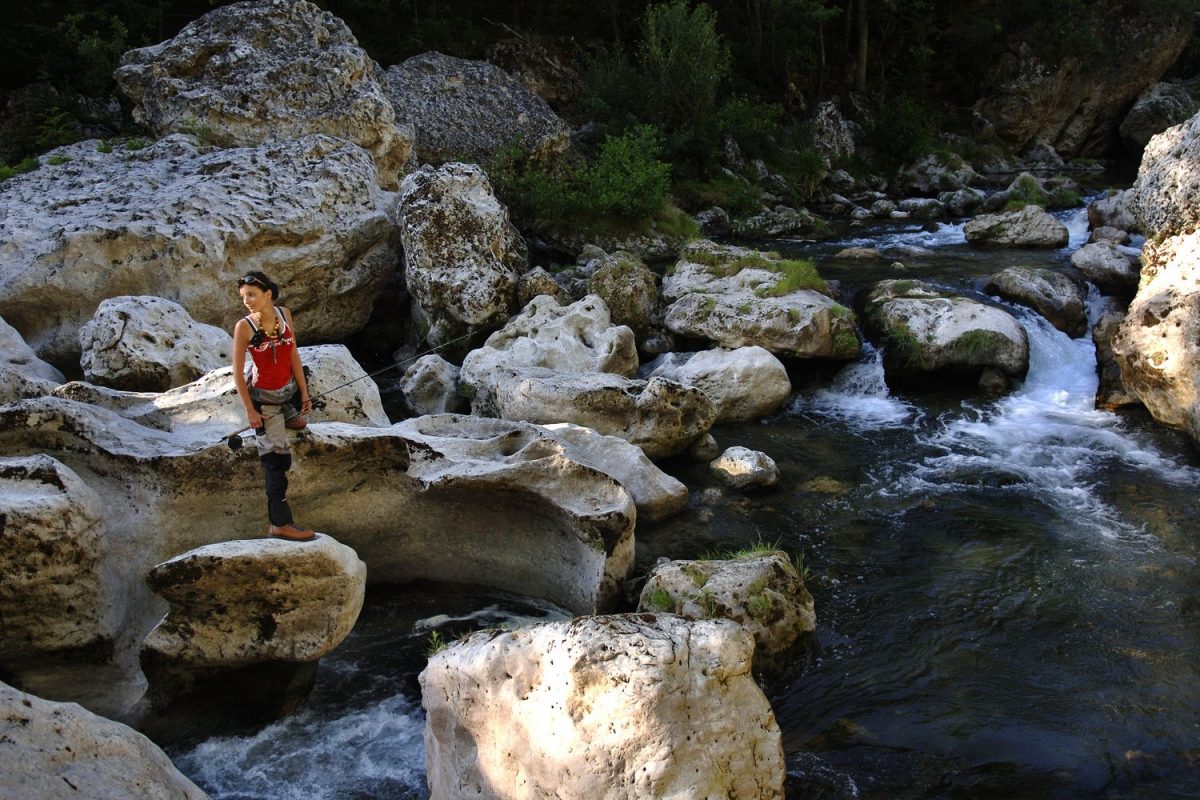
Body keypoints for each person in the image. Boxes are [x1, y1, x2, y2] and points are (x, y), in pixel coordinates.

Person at [231, 271, 315, 541]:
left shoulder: (284, 314)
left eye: (252, 295)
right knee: (276, 459)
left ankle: (289, 414)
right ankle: (280, 523)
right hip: (265, 401)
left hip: (286, 393)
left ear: (268, 293)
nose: (248, 301)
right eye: (244, 297)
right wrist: (250, 412)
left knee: (300, 423)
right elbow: (237, 373)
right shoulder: (244, 327)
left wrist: (303, 393)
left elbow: (292, 353)